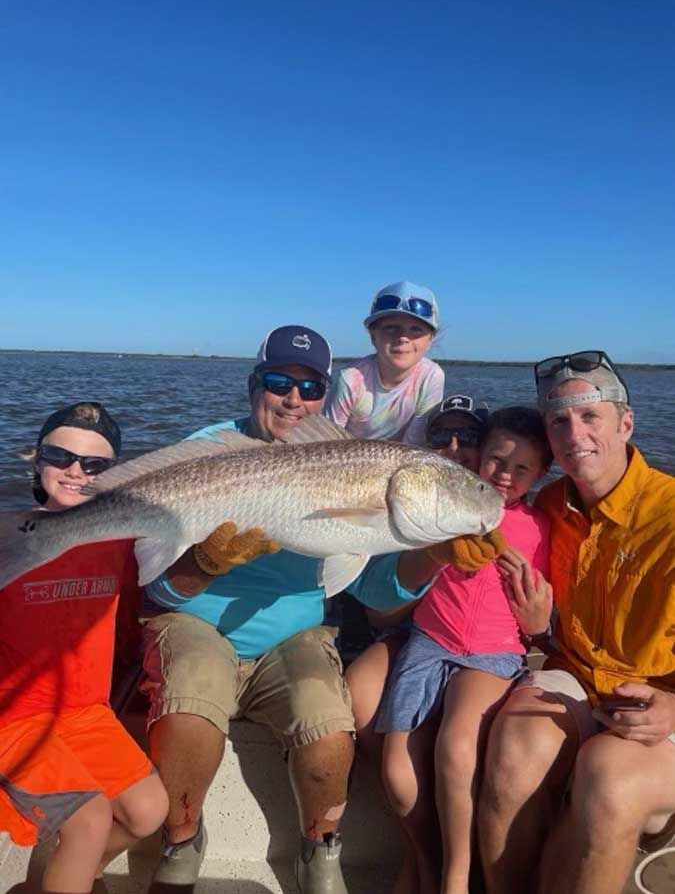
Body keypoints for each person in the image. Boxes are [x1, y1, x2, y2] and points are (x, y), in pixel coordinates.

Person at [140, 325, 475, 894]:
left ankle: (320, 850)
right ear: (254, 385)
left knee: (326, 728)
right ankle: (181, 839)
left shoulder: (346, 462)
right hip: (196, 621)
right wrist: (203, 564)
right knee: (188, 709)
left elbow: (370, 590)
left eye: (310, 388)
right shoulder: (205, 452)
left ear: (325, 396)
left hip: (294, 635)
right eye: (278, 382)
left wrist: (436, 556)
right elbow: (158, 593)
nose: (294, 400)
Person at [478, 351, 675, 894]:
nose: (574, 433)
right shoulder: (551, 505)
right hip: (581, 676)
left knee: (608, 777)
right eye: (559, 420)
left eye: (590, 416)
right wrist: (539, 631)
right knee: (516, 746)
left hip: (660, 700)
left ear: (626, 424)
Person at [376, 407, 552, 894]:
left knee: (456, 746)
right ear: (479, 458)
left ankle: (455, 879)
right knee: (397, 773)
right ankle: (424, 859)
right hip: (429, 644)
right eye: (496, 459)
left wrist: (540, 622)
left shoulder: (540, 526)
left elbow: (545, 603)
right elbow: (396, 579)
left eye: (522, 469)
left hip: (493, 654)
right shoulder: (438, 512)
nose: (504, 475)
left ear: (540, 475)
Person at [0, 402, 169, 894]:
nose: (76, 471)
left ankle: (73, 875)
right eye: (61, 456)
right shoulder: (7, 536)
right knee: (90, 819)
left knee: (149, 811)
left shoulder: (124, 541)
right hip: (13, 717)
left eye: (95, 465)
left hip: (86, 714)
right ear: (36, 459)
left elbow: (147, 610)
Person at [326, 281, 445, 445]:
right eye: (391, 327)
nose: (403, 338)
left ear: (430, 339)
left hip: (399, 462)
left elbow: (414, 445)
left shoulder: (431, 376)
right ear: (373, 335)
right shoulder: (350, 379)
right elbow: (327, 443)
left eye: (415, 329)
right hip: (346, 461)